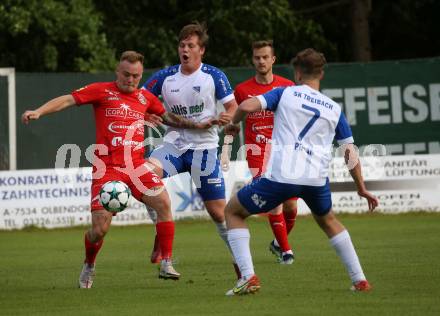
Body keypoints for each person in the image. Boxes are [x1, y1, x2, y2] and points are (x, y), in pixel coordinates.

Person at [21, 51, 213, 288]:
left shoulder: (145, 98)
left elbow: (168, 117)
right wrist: (39, 111)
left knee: (163, 203)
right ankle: (89, 264)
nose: (130, 80)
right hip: (107, 169)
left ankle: (166, 262)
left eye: (136, 76)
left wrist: (197, 126)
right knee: (99, 229)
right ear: (117, 71)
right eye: (126, 74)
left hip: (137, 167)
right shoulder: (102, 90)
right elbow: (68, 99)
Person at [223, 48, 379, 295]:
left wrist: (233, 124)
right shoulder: (333, 108)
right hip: (316, 180)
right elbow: (350, 152)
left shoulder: (286, 93)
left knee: (232, 211)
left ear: (297, 72)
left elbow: (247, 104)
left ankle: (248, 276)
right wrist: (362, 188)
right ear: (321, 73)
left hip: (283, 176)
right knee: (328, 221)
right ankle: (360, 280)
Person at [142, 22, 239, 273]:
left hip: (204, 149)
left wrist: (229, 117)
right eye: (182, 45)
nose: (185, 49)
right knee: (142, 176)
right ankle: (160, 233)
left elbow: (233, 107)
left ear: (201, 50)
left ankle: (239, 260)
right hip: (173, 146)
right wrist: (145, 114)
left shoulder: (213, 76)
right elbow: (138, 100)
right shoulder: (165, 77)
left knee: (218, 213)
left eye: (191, 45)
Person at [232, 40, 297, 264]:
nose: (261, 61)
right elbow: (234, 116)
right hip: (257, 151)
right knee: (275, 199)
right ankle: (286, 252)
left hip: (283, 151)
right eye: (257, 57)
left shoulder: (287, 86)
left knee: (291, 206)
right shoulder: (242, 90)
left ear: (273, 60)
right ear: (253, 60)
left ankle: (278, 243)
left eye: (265, 57)